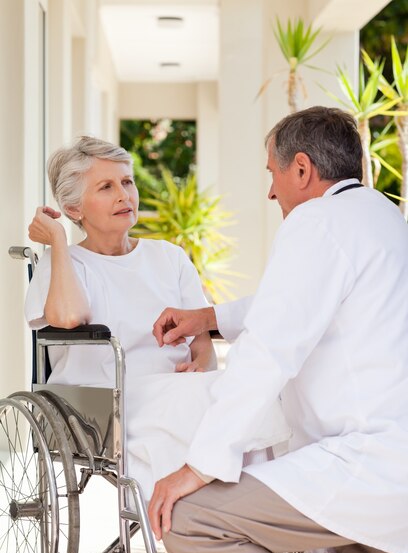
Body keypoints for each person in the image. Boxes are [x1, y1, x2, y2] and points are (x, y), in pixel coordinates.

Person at [148, 106, 408, 553]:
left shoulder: (316, 221)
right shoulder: (381, 215)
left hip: (363, 460)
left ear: (303, 170)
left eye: (272, 173)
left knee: (188, 521)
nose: (271, 192)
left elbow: (269, 350)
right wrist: (210, 317)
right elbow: (294, 303)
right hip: (393, 468)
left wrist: (198, 467)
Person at [24, 136, 289, 500]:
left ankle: (244, 511)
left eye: (127, 182)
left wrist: (199, 365)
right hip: (105, 404)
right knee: (221, 407)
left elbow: (203, 346)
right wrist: (56, 241)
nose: (124, 195)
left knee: (238, 395)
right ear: (73, 208)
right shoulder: (67, 265)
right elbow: (69, 316)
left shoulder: (169, 258)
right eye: (106, 186)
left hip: (174, 392)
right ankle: (224, 514)